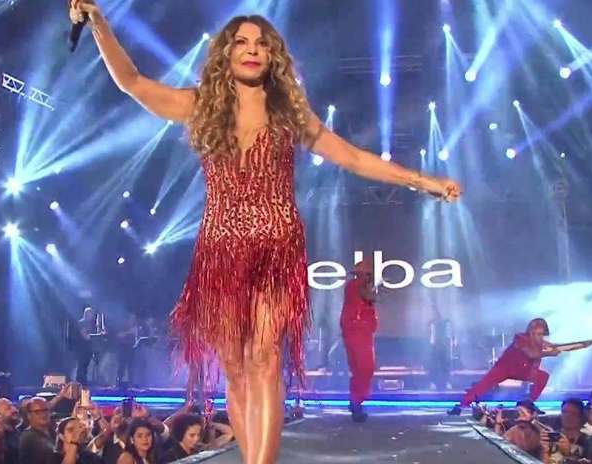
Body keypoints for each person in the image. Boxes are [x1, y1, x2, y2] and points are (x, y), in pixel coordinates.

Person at [68, 3, 462, 462]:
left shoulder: (289, 114)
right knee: (236, 367)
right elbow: (132, 82)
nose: (252, 50)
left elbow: (353, 157)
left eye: (261, 44)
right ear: (227, 54)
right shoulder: (201, 106)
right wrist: (100, 24)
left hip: (277, 246)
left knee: (265, 357)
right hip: (220, 249)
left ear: (272, 55)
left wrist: (423, 181)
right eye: (242, 42)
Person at [449, 318, 559, 416]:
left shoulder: (539, 341)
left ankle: (529, 403)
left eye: (542, 334)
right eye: (537, 334)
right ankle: (462, 405)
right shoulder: (520, 338)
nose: (540, 337)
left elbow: (548, 345)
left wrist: (556, 347)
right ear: (531, 332)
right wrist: (550, 353)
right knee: (482, 385)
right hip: (504, 368)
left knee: (543, 376)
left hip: (522, 370)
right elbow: (531, 354)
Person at [340, 260, 378, 422]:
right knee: (364, 368)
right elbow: (370, 296)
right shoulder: (354, 286)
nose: (369, 277)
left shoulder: (360, 287)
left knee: (362, 370)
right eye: (367, 274)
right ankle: (356, 401)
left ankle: (356, 401)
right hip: (356, 332)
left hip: (362, 333)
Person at [19, 397, 56, 464]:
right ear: (29, 415)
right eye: (37, 412)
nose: (43, 414)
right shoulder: (29, 437)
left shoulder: (52, 432)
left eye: (46, 410)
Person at [427, 307, 454, 390]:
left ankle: (447, 382)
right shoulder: (432, 323)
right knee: (434, 365)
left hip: (444, 346)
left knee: (446, 365)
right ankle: (432, 382)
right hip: (435, 346)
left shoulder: (447, 322)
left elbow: (449, 335)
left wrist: (450, 346)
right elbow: (431, 336)